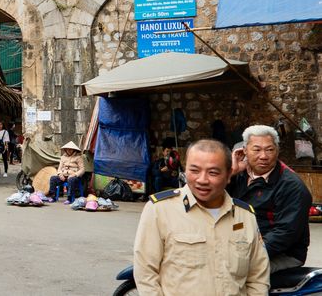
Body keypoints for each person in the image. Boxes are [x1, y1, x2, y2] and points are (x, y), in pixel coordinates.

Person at [134, 139, 269, 295]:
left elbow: (258, 276)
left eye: (213, 172)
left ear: (228, 174)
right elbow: (146, 274)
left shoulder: (245, 216)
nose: (202, 180)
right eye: (194, 170)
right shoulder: (160, 210)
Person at [228, 125, 312, 273]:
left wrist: (244, 255)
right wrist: (229, 174)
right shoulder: (238, 175)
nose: (263, 156)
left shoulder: (291, 186)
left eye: (269, 149)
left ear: (277, 151)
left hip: (281, 253)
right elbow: (209, 200)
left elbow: (285, 234)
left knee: (233, 274)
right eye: (256, 149)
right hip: (239, 243)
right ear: (244, 150)